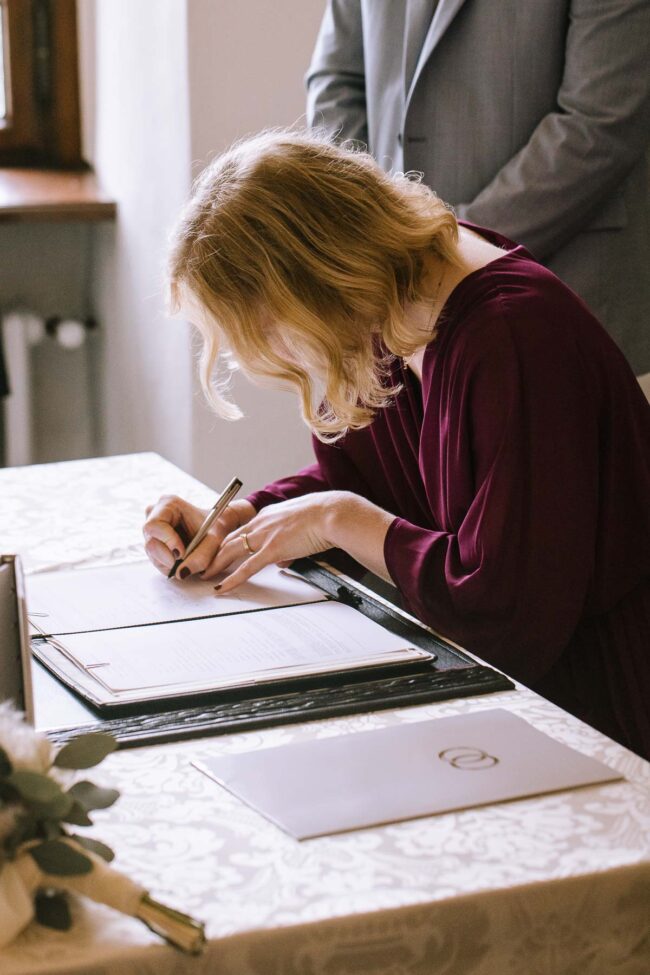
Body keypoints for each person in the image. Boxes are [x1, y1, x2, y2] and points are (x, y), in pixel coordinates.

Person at [143, 130, 650, 759]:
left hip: (597, 712)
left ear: (317, 277)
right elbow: (377, 479)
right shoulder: (392, 290)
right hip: (523, 698)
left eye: (270, 328)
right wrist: (245, 516)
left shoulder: (512, 337)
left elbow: (511, 615)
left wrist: (338, 518)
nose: (276, 355)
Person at [305, 0, 650, 378]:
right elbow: (336, 83)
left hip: (566, 303)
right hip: (399, 329)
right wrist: (370, 226)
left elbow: (599, 122)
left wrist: (443, 248)